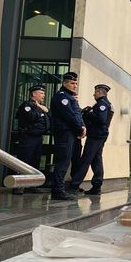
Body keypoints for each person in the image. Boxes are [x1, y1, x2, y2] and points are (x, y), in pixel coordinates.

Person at [68, 84, 114, 195]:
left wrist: (88, 114)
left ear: (99, 92)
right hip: (99, 135)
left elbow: (101, 119)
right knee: (96, 160)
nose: (94, 94)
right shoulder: (106, 104)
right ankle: (97, 185)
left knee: (85, 159)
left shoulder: (102, 104)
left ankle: (74, 185)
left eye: (95, 92)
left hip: (96, 135)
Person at [50, 72, 86, 200]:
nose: (75, 85)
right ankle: (57, 190)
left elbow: (78, 114)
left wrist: (82, 127)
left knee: (71, 160)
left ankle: (63, 188)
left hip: (72, 132)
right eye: (72, 83)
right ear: (65, 83)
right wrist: (80, 128)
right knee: (63, 162)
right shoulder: (62, 97)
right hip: (64, 132)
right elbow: (69, 115)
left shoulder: (71, 97)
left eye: (76, 83)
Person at [14, 84, 50, 195]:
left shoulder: (40, 107)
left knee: (35, 161)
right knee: (24, 161)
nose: (43, 95)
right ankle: (18, 186)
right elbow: (33, 117)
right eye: (41, 93)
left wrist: (44, 113)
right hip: (28, 137)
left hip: (38, 138)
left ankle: (31, 185)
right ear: (33, 94)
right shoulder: (27, 105)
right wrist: (42, 113)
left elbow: (47, 122)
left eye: (44, 93)